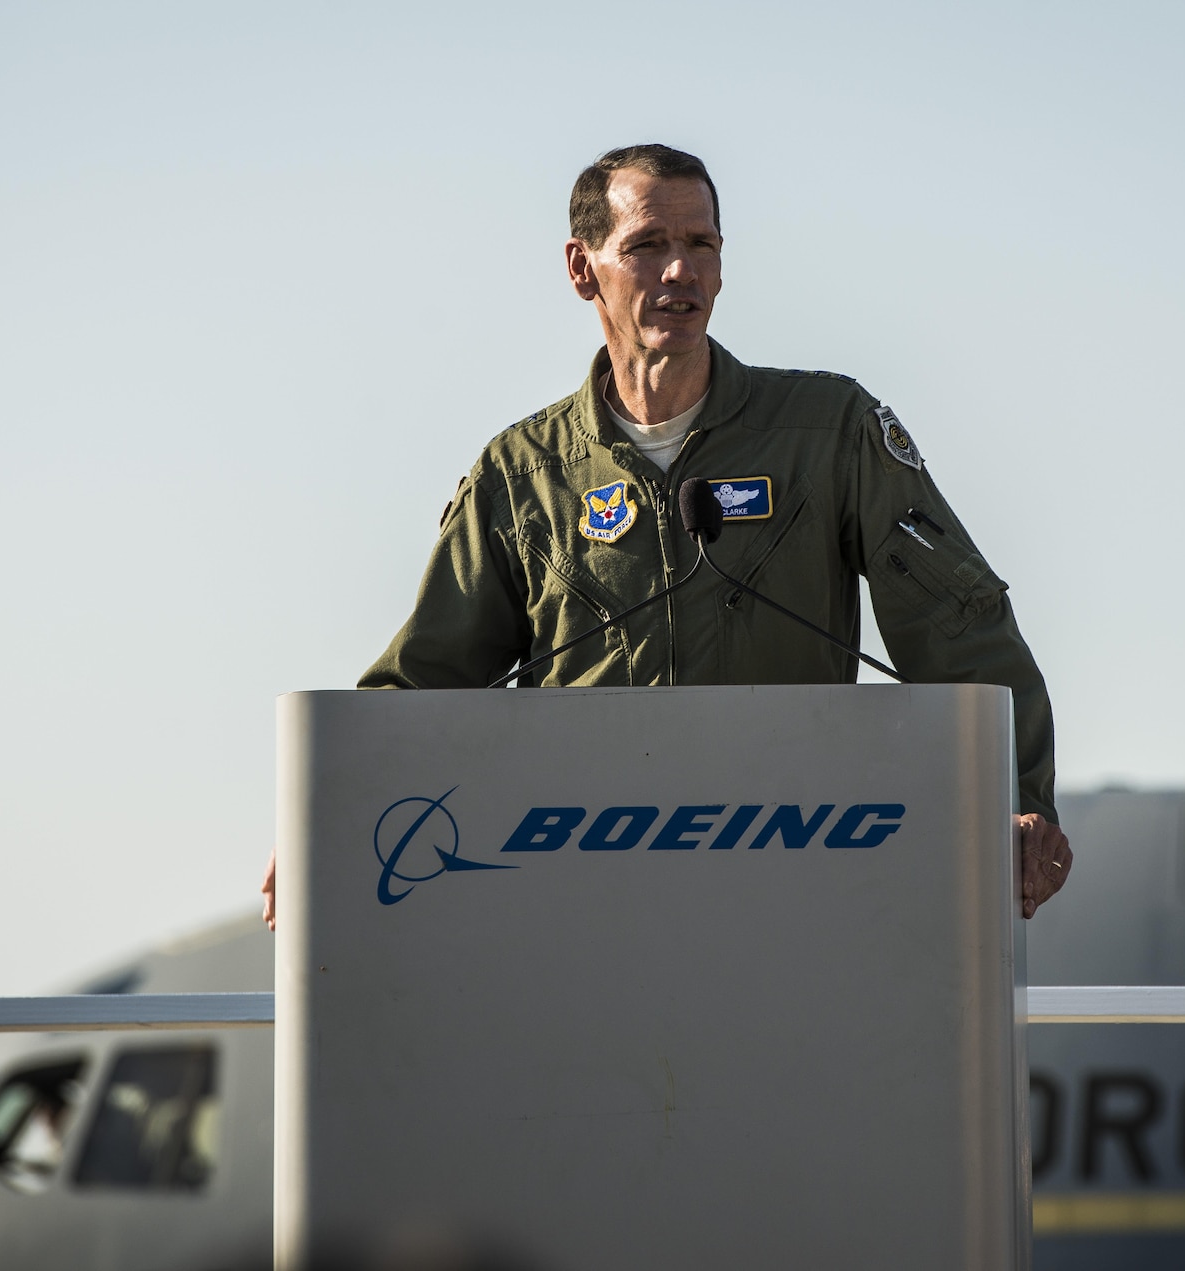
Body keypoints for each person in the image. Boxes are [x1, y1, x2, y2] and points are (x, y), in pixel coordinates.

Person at [262, 143, 1070, 926]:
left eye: (700, 245)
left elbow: (959, 624)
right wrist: (324, 825)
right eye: (647, 245)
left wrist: (1021, 802)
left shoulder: (825, 429)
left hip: (798, 885)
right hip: (580, 901)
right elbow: (423, 683)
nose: (680, 271)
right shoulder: (523, 472)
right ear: (583, 269)